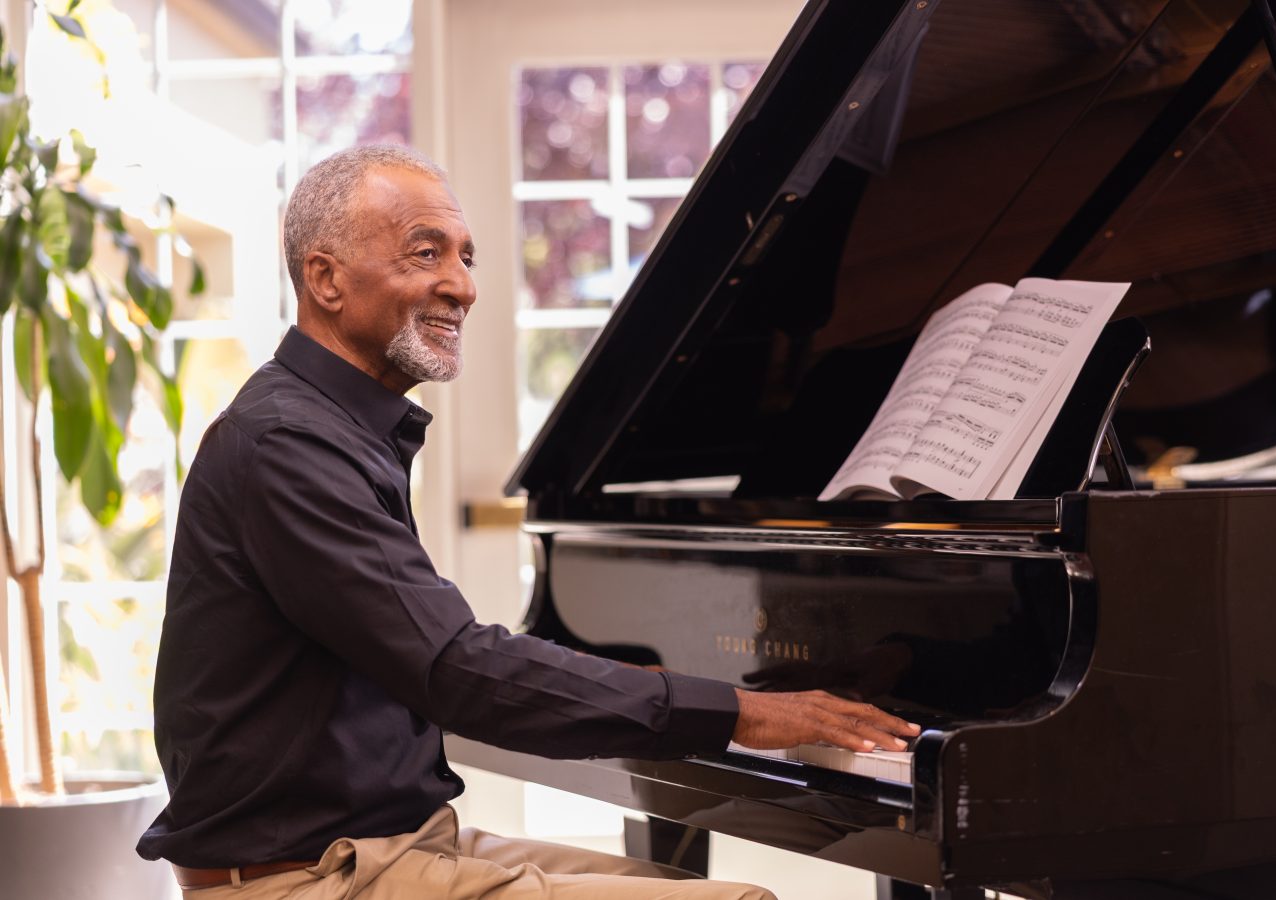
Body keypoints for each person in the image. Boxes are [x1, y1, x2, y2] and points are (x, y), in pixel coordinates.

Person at [136, 145, 918, 899]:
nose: (463, 286)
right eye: (425, 252)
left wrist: (655, 689)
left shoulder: (330, 428)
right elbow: (455, 671)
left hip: (393, 846)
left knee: (686, 888)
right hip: (305, 879)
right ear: (326, 279)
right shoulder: (288, 444)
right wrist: (739, 710)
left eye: (466, 257)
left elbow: (424, 659)